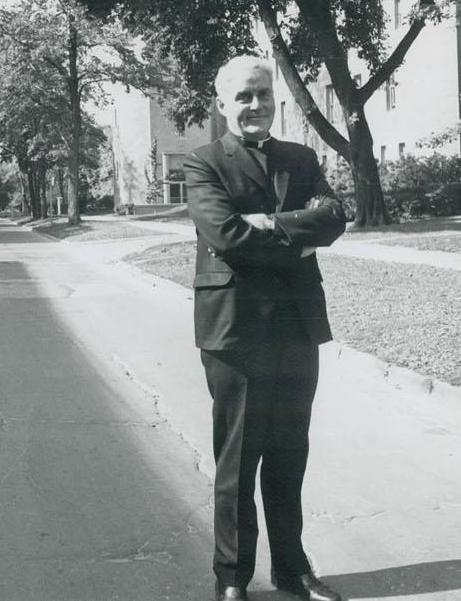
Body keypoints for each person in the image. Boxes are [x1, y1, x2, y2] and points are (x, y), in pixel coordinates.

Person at [184, 55, 349, 601]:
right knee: (238, 461)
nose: (255, 106)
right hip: (235, 331)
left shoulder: (300, 158)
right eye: (243, 97)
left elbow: (335, 215)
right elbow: (227, 236)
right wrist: (298, 238)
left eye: (263, 94)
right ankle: (231, 578)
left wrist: (271, 225)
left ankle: (292, 569)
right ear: (223, 104)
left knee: (289, 452)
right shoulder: (204, 163)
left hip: (296, 326)